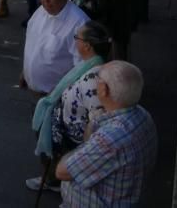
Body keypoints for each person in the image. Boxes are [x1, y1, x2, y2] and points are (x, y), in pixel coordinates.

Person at [56, 61, 157, 207]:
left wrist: (73, 152)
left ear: (103, 89)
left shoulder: (110, 139)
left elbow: (62, 172)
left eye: (97, 80)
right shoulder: (142, 114)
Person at [27, 20, 111, 194]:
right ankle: (53, 180)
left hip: (71, 138)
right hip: (65, 127)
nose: (75, 41)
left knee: (62, 168)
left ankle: (58, 184)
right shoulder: (91, 64)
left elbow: (97, 119)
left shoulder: (93, 78)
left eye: (77, 38)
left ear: (87, 46)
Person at [21, 0, 90, 95]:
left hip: (57, 96)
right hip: (35, 90)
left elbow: (82, 66)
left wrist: (63, 93)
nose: (45, 0)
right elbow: (32, 43)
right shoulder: (40, 11)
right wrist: (26, 71)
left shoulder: (79, 23)